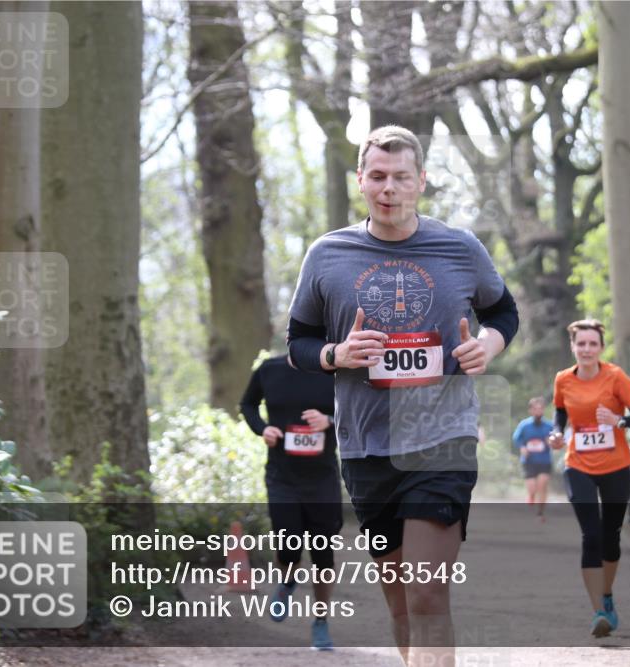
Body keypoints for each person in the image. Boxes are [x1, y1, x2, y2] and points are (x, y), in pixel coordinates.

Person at [286, 125, 518, 666]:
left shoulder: (459, 249)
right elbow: (298, 343)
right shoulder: (328, 254)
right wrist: (336, 355)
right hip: (366, 444)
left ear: (422, 182)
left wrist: (488, 343)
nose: (389, 188)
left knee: (427, 591)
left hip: (443, 437)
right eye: (378, 177)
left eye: (401, 178)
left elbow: (503, 311)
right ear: (361, 181)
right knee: (399, 603)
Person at [547, 319, 630, 638]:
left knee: (611, 535)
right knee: (591, 536)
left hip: (616, 465)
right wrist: (556, 434)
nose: (587, 349)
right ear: (573, 347)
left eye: (593, 344)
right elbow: (560, 413)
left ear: (601, 348)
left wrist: (618, 421)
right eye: (581, 344)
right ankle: (599, 612)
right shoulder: (563, 379)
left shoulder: (616, 377)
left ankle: (607, 594)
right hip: (578, 464)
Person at [239, 354, 342, 651]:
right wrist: (263, 428)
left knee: (323, 555)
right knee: (287, 544)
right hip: (282, 476)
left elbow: (360, 412)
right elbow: (247, 404)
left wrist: (330, 420)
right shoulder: (270, 370)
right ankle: (287, 582)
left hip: (322, 478)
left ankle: (321, 622)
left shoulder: (335, 372)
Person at [511, 397, 553, 522]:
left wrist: (551, 442)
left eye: (540, 408)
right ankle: (531, 495)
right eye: (535, 409)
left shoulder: (549, 425)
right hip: (529, 461)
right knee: (533, 488)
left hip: (544, 461)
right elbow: (516, 438)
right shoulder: (524, 425)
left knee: (542, 484)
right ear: (530, 410)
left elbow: (556, 440)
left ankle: (540, 512)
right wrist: (522, 447)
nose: (538, 411)